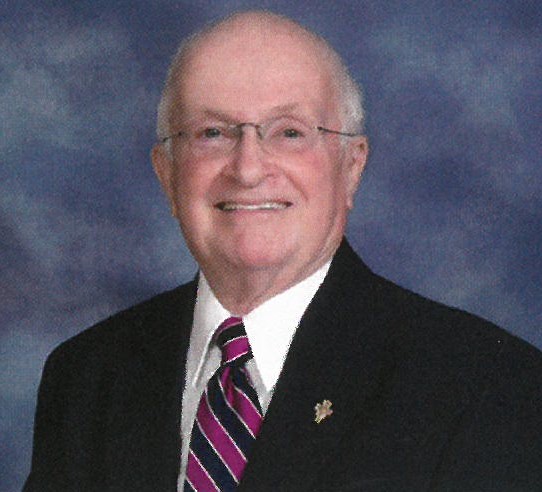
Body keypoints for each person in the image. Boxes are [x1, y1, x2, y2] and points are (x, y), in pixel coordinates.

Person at [24, 10, 542, 492]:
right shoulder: (87, 376)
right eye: (212, 133)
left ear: (351, 167)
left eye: (289, 132)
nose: (248, 169)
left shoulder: (484, 385)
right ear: (166, 173)